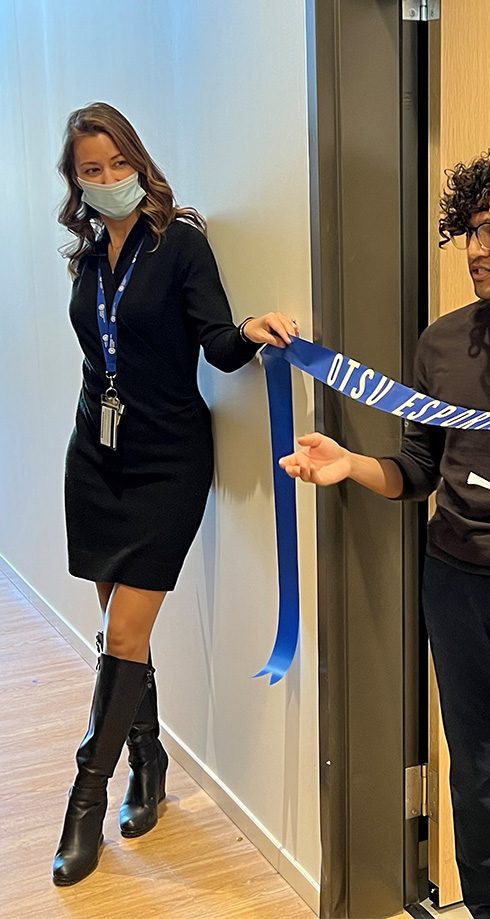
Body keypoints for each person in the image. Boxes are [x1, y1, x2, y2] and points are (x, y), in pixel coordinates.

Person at [280, 144, 490, 918]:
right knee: (474, 770)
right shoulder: (442, 344)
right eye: (469, 230)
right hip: (455, 583)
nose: (476, 249)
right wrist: (349, 465)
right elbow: (418, 468)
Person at [52, 102, 296, 886]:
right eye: (91, 171)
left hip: (166, 464)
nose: (108, 180)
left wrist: (255, 330)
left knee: (125, 633)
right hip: (96, 456)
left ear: (139, 162)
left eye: (117, 164)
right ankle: (149, 763)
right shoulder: (89, 255)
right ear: (75, 181)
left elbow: (217, 346)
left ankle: (85, 803)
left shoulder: (181, 244)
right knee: (119, 628)